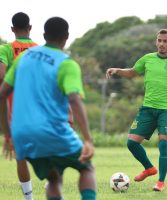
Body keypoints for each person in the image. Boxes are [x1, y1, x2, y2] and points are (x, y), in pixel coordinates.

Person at [0, 17, 97, 200]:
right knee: (86, 167)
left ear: (44, 35)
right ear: (66, 37)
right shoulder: (66, 64)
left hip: (22, 134)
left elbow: (2, 94)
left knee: (53, 178)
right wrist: (88, 139)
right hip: (52, 130)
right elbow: (74, 100)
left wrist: (8, 134)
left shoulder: (23, 58)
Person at [106, 29, 167, 192]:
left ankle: (160, 181)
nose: (161, 44)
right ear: (156, 42)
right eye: (159, 41)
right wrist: (117, 70)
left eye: (165, 41)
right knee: (132, 143)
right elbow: (132, 72)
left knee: (163, 143)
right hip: (147, 108)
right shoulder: (147, 59)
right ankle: (149, 168)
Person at [0, 12, 37, 200]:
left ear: (12, 29)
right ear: (30, 27)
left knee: (20, 155)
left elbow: (1, 75)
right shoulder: (40, 50)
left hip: (17, 109)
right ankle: (53, 182)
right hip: (40, 108)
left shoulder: (5, 49)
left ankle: (28, 198)